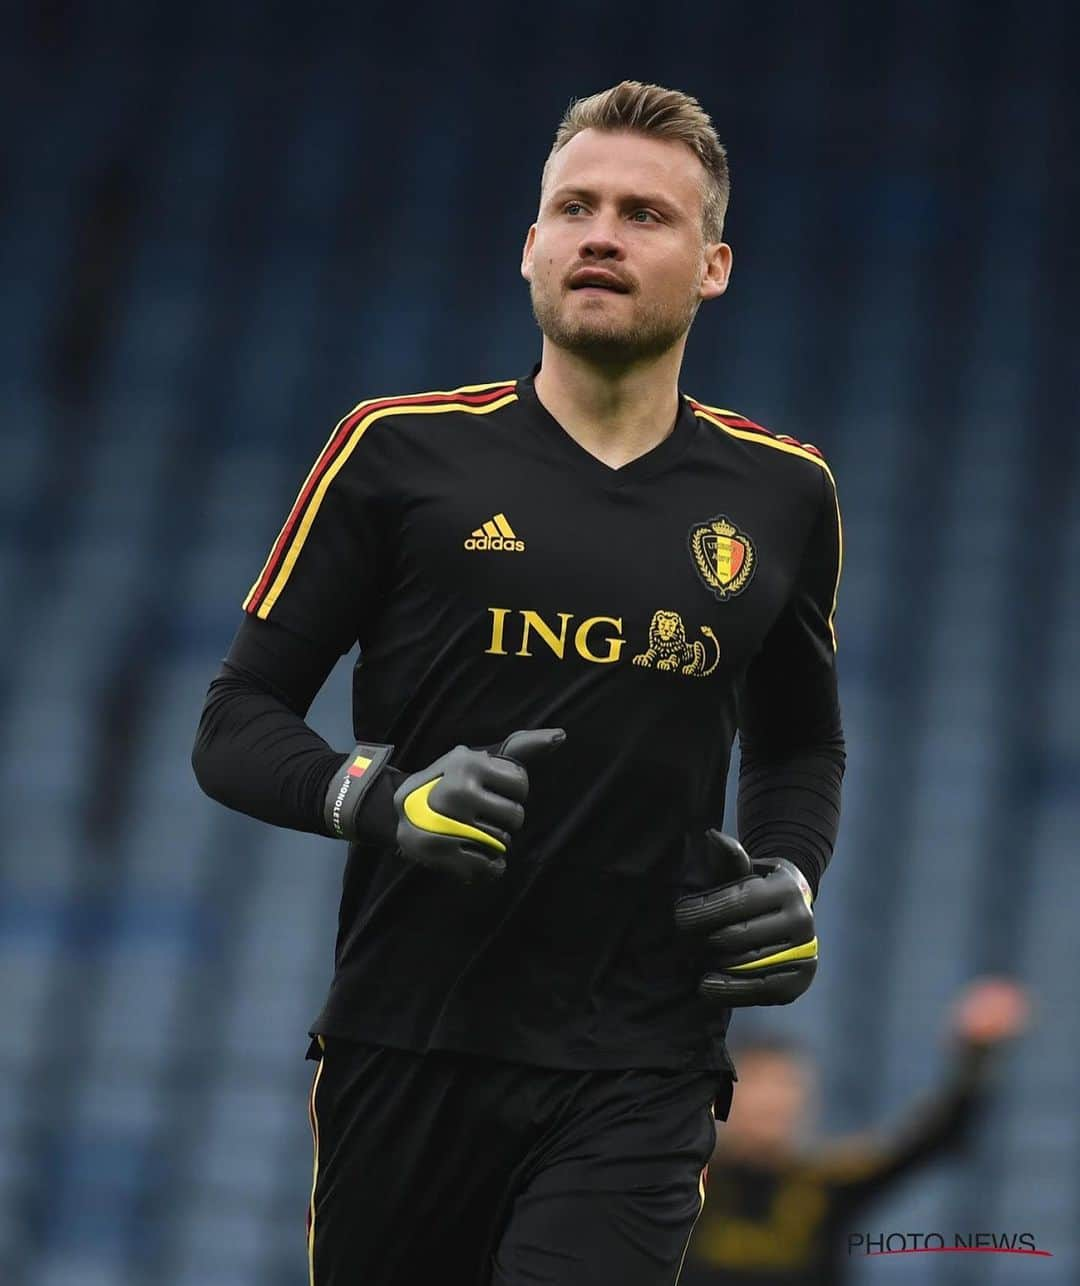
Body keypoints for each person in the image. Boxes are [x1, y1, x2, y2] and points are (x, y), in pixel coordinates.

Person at [192, 79, 845, 1286]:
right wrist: (379, 799)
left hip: (643, 1055)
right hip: (407, 1037)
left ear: (713, 265)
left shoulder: (783, 492)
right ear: (531, 247)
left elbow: (802, 743)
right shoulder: (393, 450)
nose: (602, 232)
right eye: (575, 206)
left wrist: (793, 871)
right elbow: (233, 719)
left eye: (646, 214)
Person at [680, 977, 1032, 1285]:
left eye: (786, 1088)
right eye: (760, 1086)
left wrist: (976, 1055)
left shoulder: (827, 1181)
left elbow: (932, 1139)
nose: (773, 1103)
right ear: (724, 1098)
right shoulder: (682, 1179)